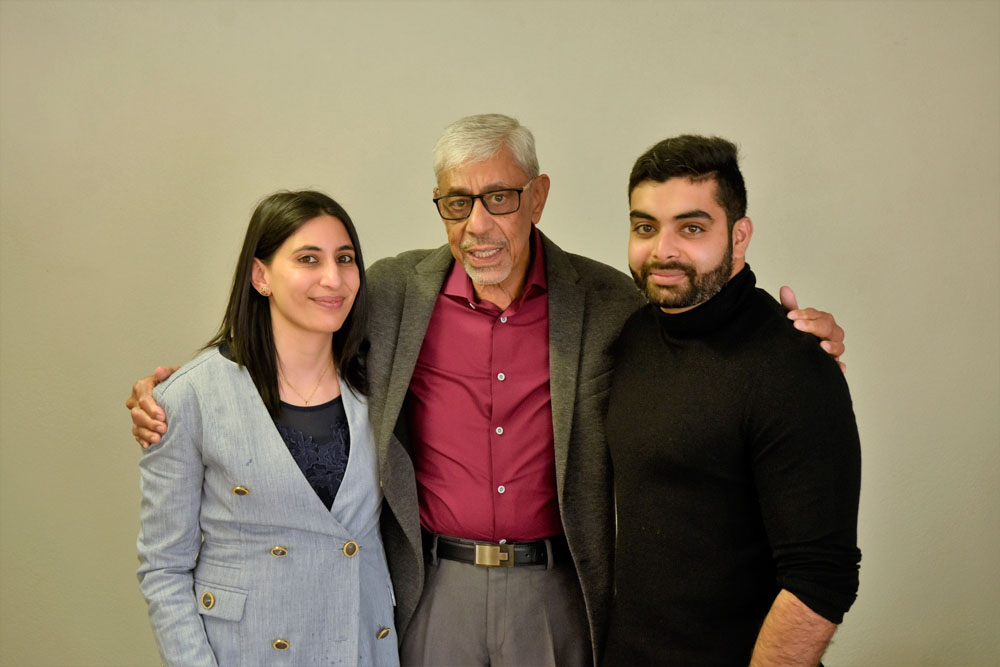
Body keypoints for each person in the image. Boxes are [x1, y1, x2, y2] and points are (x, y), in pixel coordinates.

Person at [128, 115, 847, 667]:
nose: (478, 225)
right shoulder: (391, 292)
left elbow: (698, 326)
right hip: (433, 587)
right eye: (456, 202)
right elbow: (297, 323)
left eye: (499, 197)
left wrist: (799, 340)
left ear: (537, 197)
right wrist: (180, 392)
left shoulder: (608, 300)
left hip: (556, 590)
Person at [602, 135, 861, 666]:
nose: (663, 250)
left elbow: (821, 579)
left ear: (739, 237)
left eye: (692, 228)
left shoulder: (793, 365)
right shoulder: (632, 335)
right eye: (645, 227)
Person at [136, 191, 399, 666]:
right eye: (308, 259)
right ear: (261, 276)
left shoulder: (382, 383)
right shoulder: (191, 396)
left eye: (345, 258)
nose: (333, 278)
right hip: (247, 650)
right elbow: (163, 567)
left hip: (362, 644)